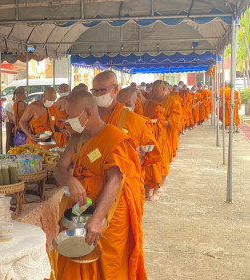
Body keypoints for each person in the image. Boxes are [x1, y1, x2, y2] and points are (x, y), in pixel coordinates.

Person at [54, 91, 146, 280]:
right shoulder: (76, 139)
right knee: (76, 259)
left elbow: (115, 180)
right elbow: (58, 169)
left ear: (88, 113)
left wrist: (97, 218)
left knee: (109, 266)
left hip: (109, 211)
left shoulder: (114, 139)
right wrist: (71, 181)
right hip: (82, 206)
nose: (69, 122)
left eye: (72, 117)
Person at [92, 71, 161, 202]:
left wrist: (140, 159)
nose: (98, 95)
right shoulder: (89, 117)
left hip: (125, 189)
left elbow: (152, 153)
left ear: (115, 90)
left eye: (102, 90)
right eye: (94, 91)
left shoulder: (136, 122)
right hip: (94, 186)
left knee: (119, 221)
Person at [151, 80, 182, 188]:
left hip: (164, 135)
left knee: (162, 160)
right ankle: (150, 186)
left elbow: (174, 122)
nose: (153, 92)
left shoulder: (173, 101)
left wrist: (159, 122)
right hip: (151, 134)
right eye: (153, 90)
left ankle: (160, 185)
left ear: (164, 90)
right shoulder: (151, 101)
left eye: (156, 90)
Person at [54, 83, 72, 148]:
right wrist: (62, 119)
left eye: (65, 90)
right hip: (62, 129)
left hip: (73, 128)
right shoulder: (60, 100)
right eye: (61, 91)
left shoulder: (74, 100)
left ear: (70, 90)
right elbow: (52, 116)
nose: (63, 92)